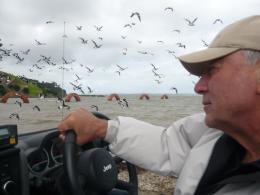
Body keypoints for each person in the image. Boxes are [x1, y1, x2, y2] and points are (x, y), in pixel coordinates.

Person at [58, 15, 260, 195]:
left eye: (212, 71)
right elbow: (167, 144)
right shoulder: (214, 133)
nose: (198, 87)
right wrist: (101, 128)